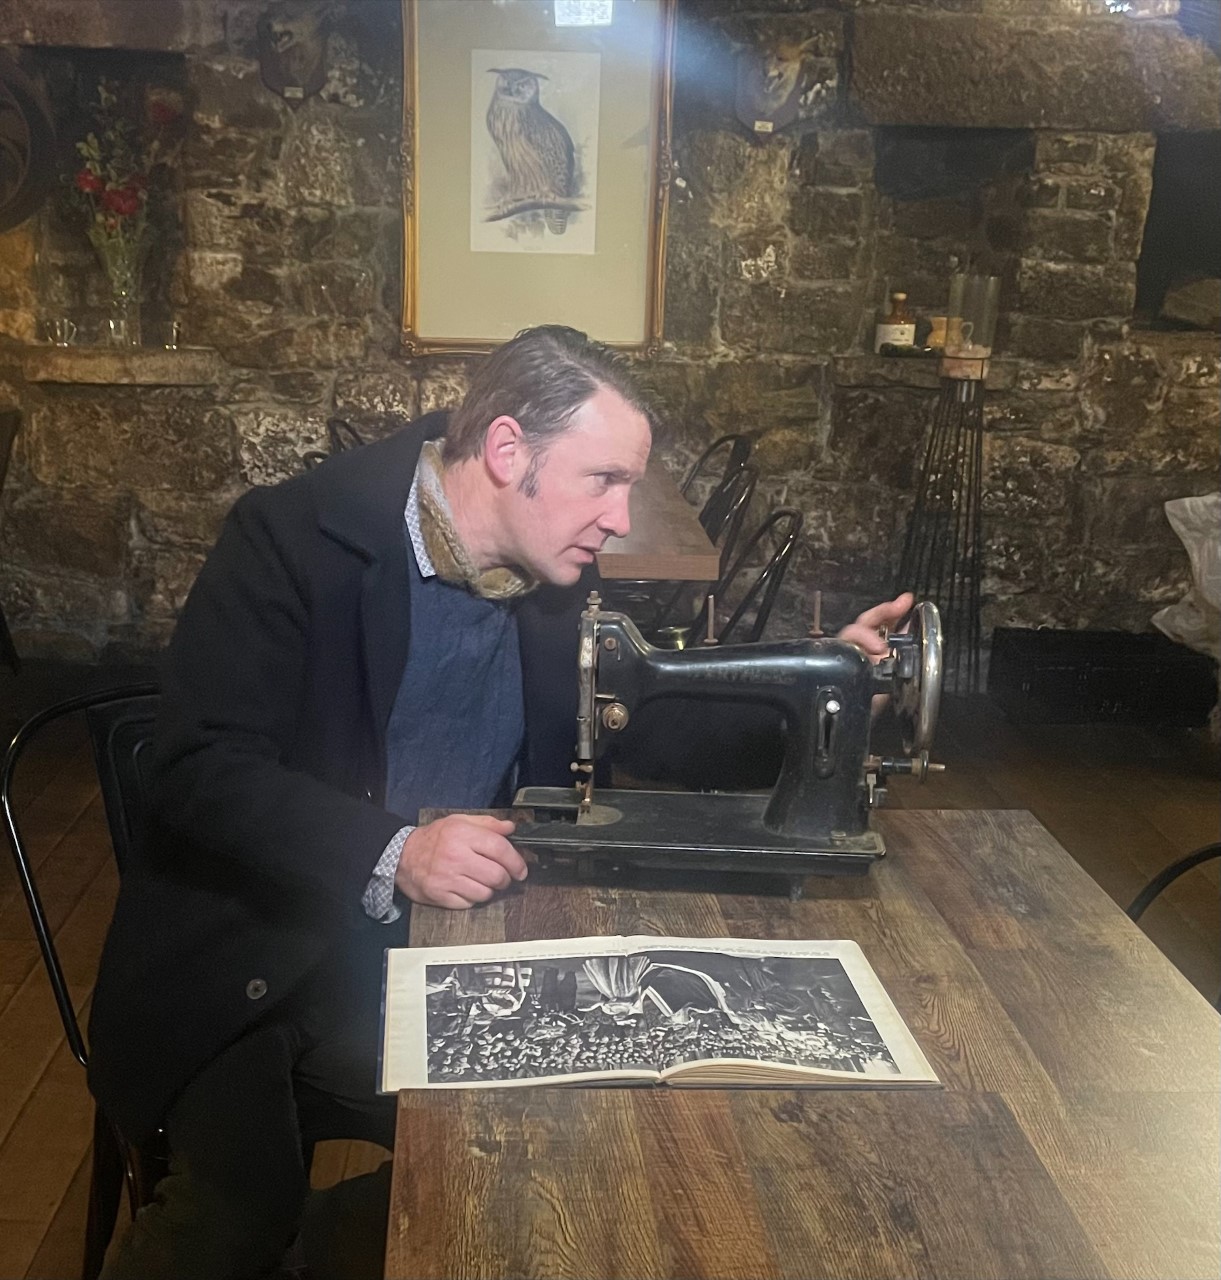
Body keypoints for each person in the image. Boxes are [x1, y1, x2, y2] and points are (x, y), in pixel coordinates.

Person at [87, 325, 911, 1279]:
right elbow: (197, 768)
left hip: (421, 950)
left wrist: (823, 689)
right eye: (604, 479)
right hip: (247, 959)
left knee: (567, 1142)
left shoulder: (551, 577)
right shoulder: (293, 538)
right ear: (509, 450)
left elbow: (646, 725)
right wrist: (391, 850)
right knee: (240, 1214)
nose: (619, 516)